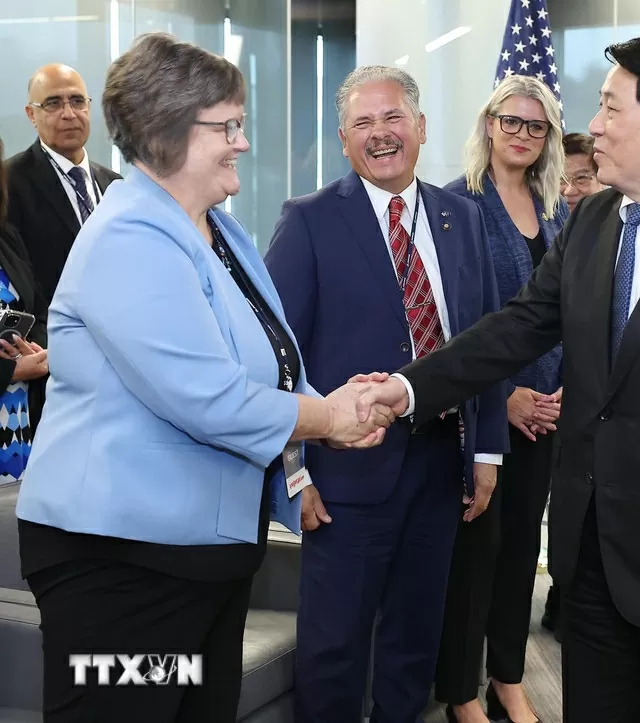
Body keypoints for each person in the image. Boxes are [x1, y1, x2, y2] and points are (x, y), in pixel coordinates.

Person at [357, 33, 640, 723]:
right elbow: (516, 328)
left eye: (611, 108)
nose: (593, 125)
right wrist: (407, 388)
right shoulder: (593, 221)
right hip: (589, 560)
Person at [14, 33, 392, 723]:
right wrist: (332, 419)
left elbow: (273, 366)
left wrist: (334, 409)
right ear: (167, 132)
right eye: (228, 126)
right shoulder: (129, 236)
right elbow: (212, 399)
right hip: (122, 568)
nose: (242, 142)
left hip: (202, 557)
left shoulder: (219, 231)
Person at [263, 65, 508, 723]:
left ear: (421, 128)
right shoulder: (308, 221)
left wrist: (486, 451)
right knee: (334, 646)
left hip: (439, 468)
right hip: (342, 477)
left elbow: (484, 343)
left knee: (413, 639)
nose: (380, 134)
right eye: (363, 123)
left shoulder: (464, 216)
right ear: (344, 140)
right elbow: (276, 360)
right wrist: (293, 472)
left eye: (392, 117)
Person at [434, 75, 566, 723]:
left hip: (549, 416)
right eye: (509, 121)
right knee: (476, 558)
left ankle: (507, 679)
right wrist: (508, 396)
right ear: (488, 125)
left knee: (520, 556)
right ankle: (461, 690)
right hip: (486, 415)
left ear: (548, 140)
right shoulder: (457, 205)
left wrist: (564, 387)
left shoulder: (557, 210)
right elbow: (458, 321)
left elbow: (568, 310)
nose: (520, 134)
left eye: (534, 126)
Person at [543, 131, 604, 640]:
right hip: (546, 405)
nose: (569, 189)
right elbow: (521, 322)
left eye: (581, 177)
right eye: (559, 179)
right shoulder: (570, 236)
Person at [5, 63, 120, 304]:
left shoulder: (114, 186)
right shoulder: (8, 184)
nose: (69, 113)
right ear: (31, 114)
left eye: (78, 101)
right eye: (53, 103)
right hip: (48, 336)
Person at [0, 135, 49, 484]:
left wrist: (35, 349)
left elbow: (39, 306)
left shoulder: (7, 236)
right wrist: (9, 373)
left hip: (17, 427)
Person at [558, 132, 603, 215]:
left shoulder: (622, 223)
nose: (569, 191)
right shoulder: (542, 224)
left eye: (581, 178)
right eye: (561, 179)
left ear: (602, 180)